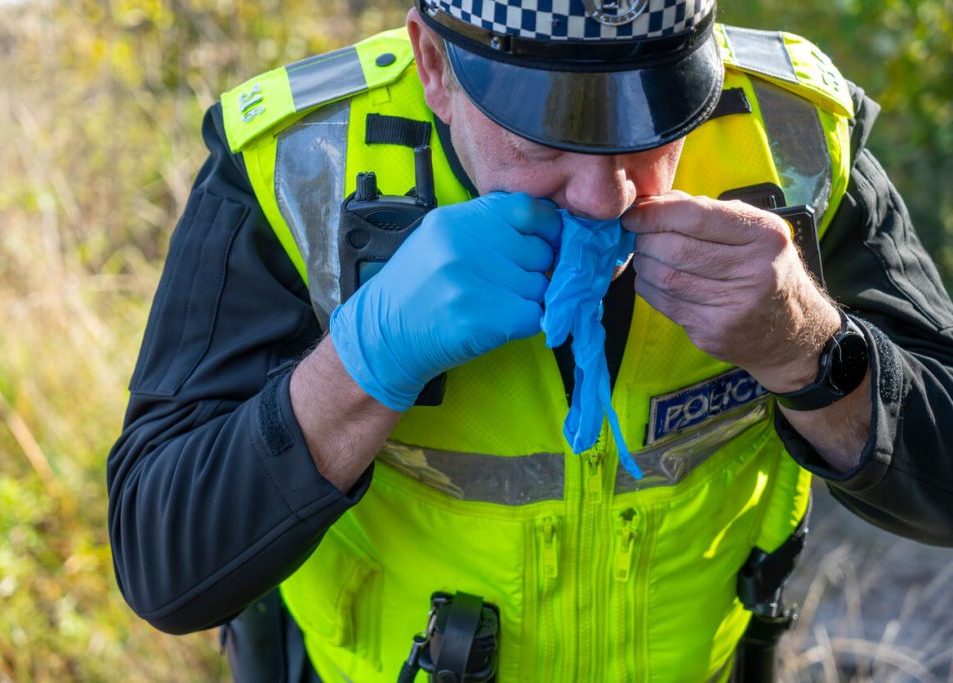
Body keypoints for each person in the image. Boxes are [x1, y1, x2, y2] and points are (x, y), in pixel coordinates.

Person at [107, 0, 953, 680]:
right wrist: (361, 364)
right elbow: (164, 565)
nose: (603, 194)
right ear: (435, 67)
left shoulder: (798, 136)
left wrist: (808, 344)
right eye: (548, 138)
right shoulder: (296, 166)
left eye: (651, 128)